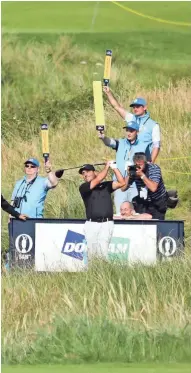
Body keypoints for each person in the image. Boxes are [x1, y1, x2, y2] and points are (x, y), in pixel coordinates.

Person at [98, 121, 150, 213]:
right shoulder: (121, 142)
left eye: (131, 131)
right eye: (127, 130)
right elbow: (110, 142)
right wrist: (103, 138)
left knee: (134, 212)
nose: (128, 133)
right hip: (120, 183)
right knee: (120, 211)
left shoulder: (143, 145)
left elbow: (148, 163)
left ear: (137, 132)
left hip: (135, 184)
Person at [79, 161, 125, 260]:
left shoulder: (106, 186)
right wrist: (107, 166)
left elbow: (122, 182)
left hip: (107, 224)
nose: (85, 174)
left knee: (103, 253)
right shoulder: (84, 187)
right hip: (92, 224)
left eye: (87, 171)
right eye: (83, 173)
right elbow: (100, 178)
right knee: (92, 254)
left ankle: (103, 273)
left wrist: (114, 167)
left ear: (94, 172)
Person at [103, 87, 160, 163]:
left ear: (145, 107)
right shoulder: (131, 118)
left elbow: (156, 146)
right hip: (129, 159)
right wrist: (108, 93)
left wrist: (150, 163)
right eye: (134, 107)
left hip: (142, 162)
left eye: (138, 106)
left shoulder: (153, 125)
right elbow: (117, 107)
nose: (135, 109)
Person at [122, 152, 168, 220]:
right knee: (141, 221)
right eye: (136, 165)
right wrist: (129, 175)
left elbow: (153, 188)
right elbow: (123, 188)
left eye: (140, 165)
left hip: (158, 200)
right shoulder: (134, 170)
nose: (138, 167)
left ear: (145, 163)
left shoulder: (154, 168)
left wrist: (142, 175)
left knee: (157, 223)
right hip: (144, 200)